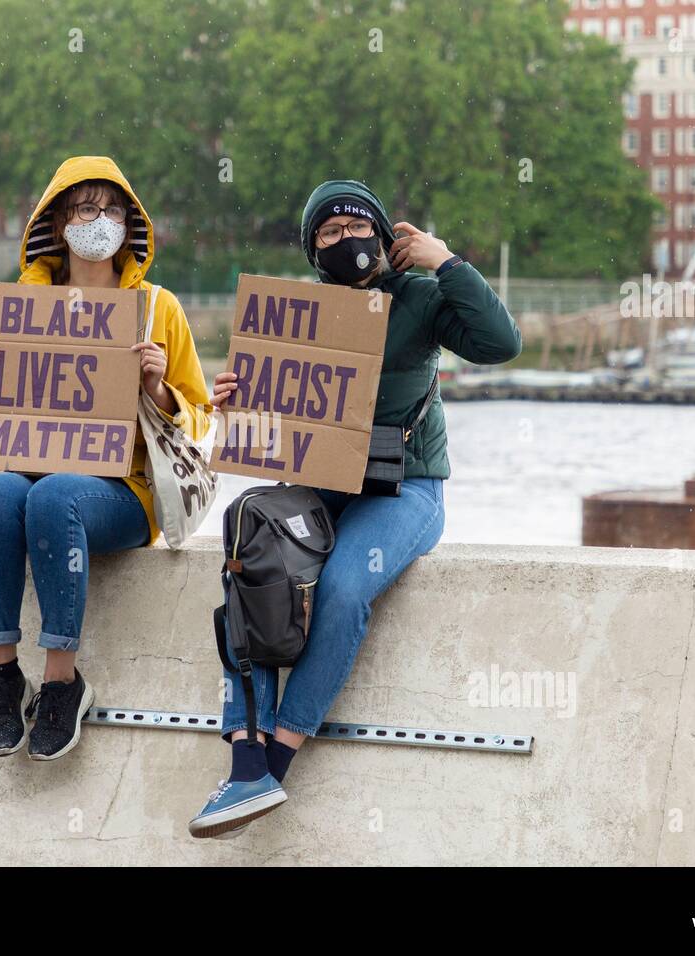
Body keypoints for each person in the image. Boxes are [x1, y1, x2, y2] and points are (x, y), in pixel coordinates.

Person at [189, 179, 521, 837]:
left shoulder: (422, 299)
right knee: (247, 557)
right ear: (314, 250)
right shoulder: (300, 316)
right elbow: (274, 423)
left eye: (358, 227)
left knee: (341, 587)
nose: (348, 241)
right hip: (322, 485)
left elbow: (500, 341)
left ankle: (274, 764)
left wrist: (445, 261)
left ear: (384, 234)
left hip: (407, 489)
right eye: (330, 233)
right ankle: (243, 751)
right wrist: (233, 399)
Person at [0, 156, 210, 761]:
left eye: (110, 208)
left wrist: (157, 386)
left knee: (55, 496)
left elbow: (204, 419)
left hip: (121, 492)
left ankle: (61, 683)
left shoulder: (158, 308)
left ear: (130, 223)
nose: (97, 220)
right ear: (58, 220)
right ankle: (3, 677)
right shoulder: (27, 303)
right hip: (37, 469)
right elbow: (17, 409)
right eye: (84, 207)